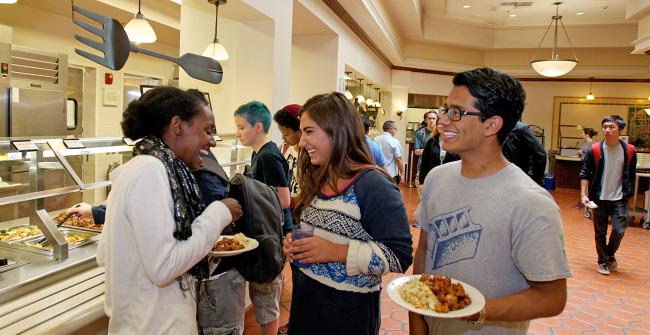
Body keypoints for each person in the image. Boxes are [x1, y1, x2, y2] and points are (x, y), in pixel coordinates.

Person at [411, 68, 571, 334]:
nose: (442, 121)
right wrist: (418, 319)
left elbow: (552, 297)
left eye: (456, 112)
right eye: (445, 110)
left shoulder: (531, 202)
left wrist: (474, 311)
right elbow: (425, 250)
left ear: (491, 124)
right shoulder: (438, 178)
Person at [96, 86, 243, 334]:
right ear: (178, 126)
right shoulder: (150, 171)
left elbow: (105, 254)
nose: (212, 141)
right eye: (206, 130)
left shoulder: (144, 168)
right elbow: (164, 267)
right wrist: (218, 213)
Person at [283, 92, 413, 335]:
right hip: (306, 304)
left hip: (348, 315)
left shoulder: (373, 185)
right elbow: (316, 233)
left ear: (337, 130)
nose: (301, 142)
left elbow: (399, 256)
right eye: (302, 133)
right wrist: (292, 241)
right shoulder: (316, 177)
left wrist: (335, 251)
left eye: (309, 131)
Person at [234, 101, 290, 335]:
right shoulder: (261, 154)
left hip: (271, 236)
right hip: (268, 234)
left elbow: (284, 199)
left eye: (241, 127)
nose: (237, 133)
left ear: (258, 127)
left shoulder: (268, 157)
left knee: (267, 301)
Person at [579, 115, 636, 275]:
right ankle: (602, 261)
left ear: (620, 129)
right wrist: (584, 195)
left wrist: (628, 193)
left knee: (619, 230)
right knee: (600, 233)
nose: (607, 130)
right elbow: (585, 173)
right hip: (598, 198)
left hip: (619, 198)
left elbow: (630, 175)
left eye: (611, 127)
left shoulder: (629, 150)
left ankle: (609, 255)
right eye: (605, 127)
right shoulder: (595, 149)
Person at [273, 104, 302, 207]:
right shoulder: (284, 148)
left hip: (299, 207)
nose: (283, 138)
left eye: (286, 134)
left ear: (299, 131)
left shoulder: (309, 154)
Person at [417, 116, 460, 186]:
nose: (440, 126)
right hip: (433, 177)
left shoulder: (455, 141)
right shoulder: (431, 141)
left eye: (443, 124)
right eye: (438, 124)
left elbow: (459, 161)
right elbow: (424, 162)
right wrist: (421, 182)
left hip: (450, 178)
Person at [502, 120, 547, 185]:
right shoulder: (495, 128)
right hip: (500, 178)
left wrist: (536, 182)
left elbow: (540, 154)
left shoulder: (521, 128)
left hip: (517, 178)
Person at [374, 120, 404, 184]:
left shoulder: (375, 139)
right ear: (390, 129)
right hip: (390, 175)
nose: (395, 131)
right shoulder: (394, 141)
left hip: (376, 173)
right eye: (395, 129)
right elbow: (398, 159)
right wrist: (402, 174)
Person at [415, 111, 438, 175]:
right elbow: (416, 152)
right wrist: (426, 151)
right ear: (426, 120)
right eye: (429, 118)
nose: (431, 120)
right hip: (423, 165)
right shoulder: (420, 133)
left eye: (434, 118)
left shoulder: (441, 132)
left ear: (437, 120)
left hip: (437, 166)